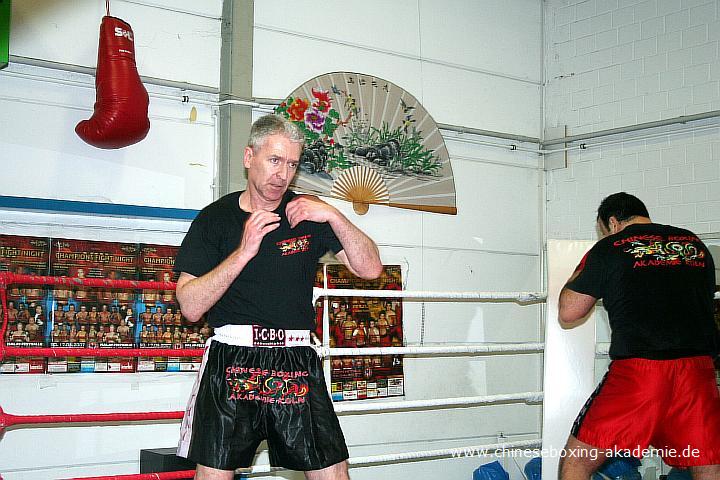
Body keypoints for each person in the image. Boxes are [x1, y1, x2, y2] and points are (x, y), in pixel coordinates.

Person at [174, 114, 382, 480]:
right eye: (274, 160)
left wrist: (334, 215)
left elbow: (371, 269)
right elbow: (190, 307)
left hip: (295, 360)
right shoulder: (215, 219)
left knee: (333, 473)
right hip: (233, 360)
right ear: (248, 157)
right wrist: (243, 252)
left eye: (292, 164)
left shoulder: (306, 213)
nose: (283, 174)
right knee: (213, 475)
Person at [557, 192, 720, 480]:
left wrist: (581, 269)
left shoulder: (611, 247)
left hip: (641, 370)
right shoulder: (694, 243)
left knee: (578, 460)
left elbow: (570, 312)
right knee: (705, 457)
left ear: (612, 222)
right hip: (698, 369)